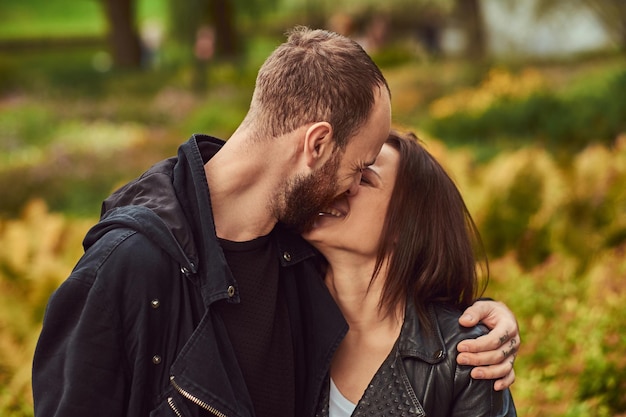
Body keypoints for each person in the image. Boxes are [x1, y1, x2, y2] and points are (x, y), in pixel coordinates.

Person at [32, 27, 518, 417]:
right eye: (359, 168)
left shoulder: (298, 248)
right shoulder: (127, 267)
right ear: (317, 145)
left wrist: (481, 324)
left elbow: (394, 311)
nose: (351, 189)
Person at [302, 130, 517, 416]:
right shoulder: (278, 313)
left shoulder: (465, 357)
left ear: (405, 226)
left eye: (364, 178)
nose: (338, 183)